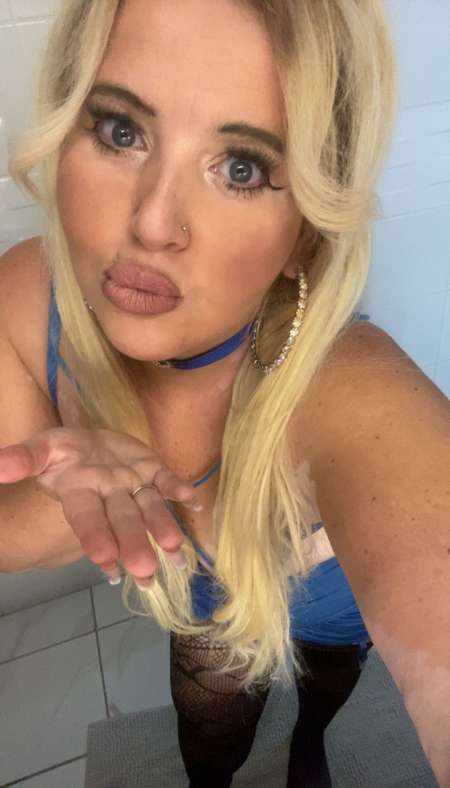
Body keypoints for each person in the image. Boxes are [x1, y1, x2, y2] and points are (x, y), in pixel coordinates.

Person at [0, 1, 449, 787]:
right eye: (121, 131)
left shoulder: (354, 394)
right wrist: (62, 501)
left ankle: (309, 746)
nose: (154, 222)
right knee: (209, 737)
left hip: (332, 614)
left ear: (305, 231)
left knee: (325, 690)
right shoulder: (24, 300)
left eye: (241, 168)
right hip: (203, 610)